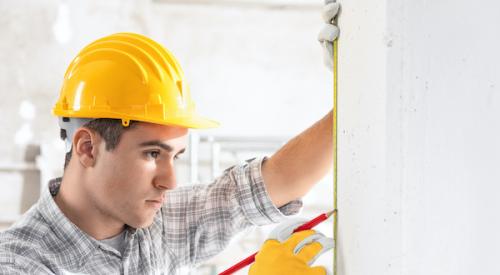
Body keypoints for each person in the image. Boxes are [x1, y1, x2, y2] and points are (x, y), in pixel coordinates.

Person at [0, 2, 340, 274]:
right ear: (88, 148)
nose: (170, 181)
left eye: (175, 156)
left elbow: (272, 183)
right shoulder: (20, 264)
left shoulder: (155, 226)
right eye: (151, 154)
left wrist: (352, 86)